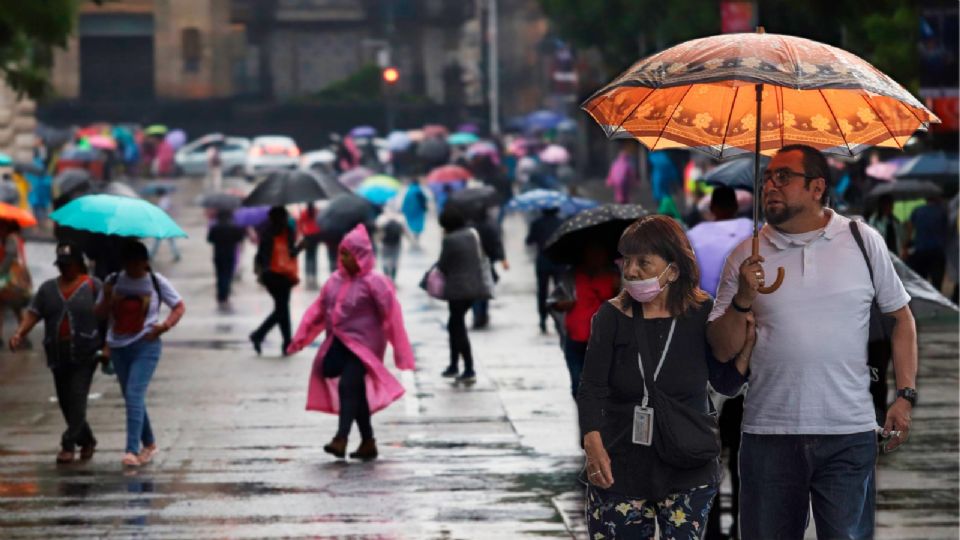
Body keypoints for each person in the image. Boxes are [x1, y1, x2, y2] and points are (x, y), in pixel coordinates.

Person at [707, 144, 918, 539]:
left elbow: (901, 318)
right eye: (767, 177)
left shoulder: (861, 240)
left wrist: (905, 396)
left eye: (784, 176)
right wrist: (742, 300)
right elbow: (721, 348)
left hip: (849, 432)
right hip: (768, 433)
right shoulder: (744, 256)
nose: (771, 185)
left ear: (817, 187)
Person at [579, 215, 753, 538]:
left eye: (643, 262)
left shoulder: (702, 313)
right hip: (621, 467)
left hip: (687, 466)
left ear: (672, 270)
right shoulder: (610, 318)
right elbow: (591, 388)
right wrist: (592, 443)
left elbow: (723, 383)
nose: (630, 270)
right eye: (626, 260)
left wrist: (744, 352)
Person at [287, 224, 415, 460]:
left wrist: (401, 351)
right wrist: (300, 338)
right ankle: (367, 442)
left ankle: (341, 438)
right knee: (354, 390)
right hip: (340, 342)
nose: (343, 258)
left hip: (366, 346)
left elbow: (392, 317)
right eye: (341, 253)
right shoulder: (334, 280)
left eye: (348, 253)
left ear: (361, 254)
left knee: (348, 385)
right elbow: (317, 311)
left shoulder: (375, 282)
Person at [95, 240, 185, 467]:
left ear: (145, 262)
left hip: (146, 345)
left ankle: (131, 450)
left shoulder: (156, 281)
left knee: (134, 394)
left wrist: (165, 326)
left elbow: (179, 306)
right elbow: (99, 314)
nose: (132, 268)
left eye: (137, 263)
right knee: (131, 397)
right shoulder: (113, 281)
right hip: (118, 347)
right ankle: (150, 444)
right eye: (128, 263)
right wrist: (106, 295)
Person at [9, 243, 101, 463]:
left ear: (79, 265)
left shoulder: (93, 286)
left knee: (77, 399)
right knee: (66, 403)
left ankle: (67, 444)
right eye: (61, 265)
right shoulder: (48, 289)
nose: (65, 269)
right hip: (57, 355)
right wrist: (19, 333)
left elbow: (108, 317)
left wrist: (108, 346)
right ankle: (87, 440)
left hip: (85, 354)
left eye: (69, 265)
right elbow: (33, 313)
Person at [436, 207, 491, 383]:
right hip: (474, 287)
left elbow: (443, 265)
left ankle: (468, 367)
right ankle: (454, 365)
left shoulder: (449, 240)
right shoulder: (472, 234)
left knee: (457, 327)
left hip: (458, 290)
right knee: (454, 325)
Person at [687, 186, 754, 297]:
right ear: (736, 207)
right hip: (742, 302)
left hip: (705, 303)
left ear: (712, 209)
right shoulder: (752, 228)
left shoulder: (691, 235)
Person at [250, 206, 299, 356]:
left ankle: (285, 343)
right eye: (283, 217)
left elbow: (290, 253)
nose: (285, 220)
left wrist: (300, 248)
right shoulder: (268, 233)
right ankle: (260, 335)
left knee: (282, 309)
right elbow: (262, 255)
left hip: (285, 275)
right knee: (282, 309)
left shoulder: (287, 232)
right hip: (272, 276)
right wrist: (266, 271)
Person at [525, 207, 564, 333]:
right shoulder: (562, 222)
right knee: (559, 290)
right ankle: (559, 318)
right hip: (558, 261)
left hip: (543, 262)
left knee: (542, 291)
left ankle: (542, 318)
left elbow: (529, 241)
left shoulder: (536, 223)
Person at [470, 211, 509, 329]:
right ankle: (483, 313)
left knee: (475, 290)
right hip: (487, 262)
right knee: (486, 288)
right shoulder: (491, 226)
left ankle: (477, 315)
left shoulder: (469, 227)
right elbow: (497, 242)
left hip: (472, 262)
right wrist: (502, 258)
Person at [905, 194, 948, 291]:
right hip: (937, 251)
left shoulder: (917, 210)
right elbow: (946, 231)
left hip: (920, 250)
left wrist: (907, 245)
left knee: (921, 283)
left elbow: (910, 230)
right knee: (936, 283)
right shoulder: (942, 211)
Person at [207, 210, 245, 312]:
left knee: (220, 274)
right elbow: (240, 238)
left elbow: (210, 239)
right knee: (228, 274)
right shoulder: (234, 226)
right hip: (230, 254)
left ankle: (220, 294)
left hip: (218, 254)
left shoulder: (215, 227)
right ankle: (225, 294)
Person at [0, 220, 31, 340]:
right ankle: (23, 337)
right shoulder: (16, 238)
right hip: (15, 280)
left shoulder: (10, 238)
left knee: (10, 307)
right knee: (13, 308)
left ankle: (22, 336)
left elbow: (10, 255)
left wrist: (1, 271)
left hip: (10, 279)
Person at [149, 188, 181, 263]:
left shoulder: (163, 201)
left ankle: (151, 255)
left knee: (158, 240)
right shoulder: (166, 199)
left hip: (164, 223)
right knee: (170, 240)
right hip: (167, 223)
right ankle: (176, 254)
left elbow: (162, 211)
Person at [297, 203, 321, 290]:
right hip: (316, 235)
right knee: (314, 256)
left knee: (308, 256)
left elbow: (299, 224)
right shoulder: (317, 212)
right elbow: (321, 222)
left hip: (307, 235)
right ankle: (314, 274)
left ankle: (308, 274)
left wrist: (300, 233)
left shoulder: (304, 213)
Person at [377, 211, 406, 281]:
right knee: (395, 262)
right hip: (396, 245)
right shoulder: (400, 221)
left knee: (384, 261)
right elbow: (405, 232)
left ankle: (386, 277)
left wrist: (378, 241)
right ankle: (393, 279)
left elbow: (380, 236)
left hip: (386, 245)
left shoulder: (383, 222)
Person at [401, 180, 429, 246]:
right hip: (418, 211)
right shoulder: (419, 191)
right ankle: (416, 237)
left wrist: (403, 210)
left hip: (410, 212)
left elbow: (405, 202)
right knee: (418, 225)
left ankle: (413, 239)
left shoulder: (409, 191)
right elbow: (424, 200)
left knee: (411, 225)